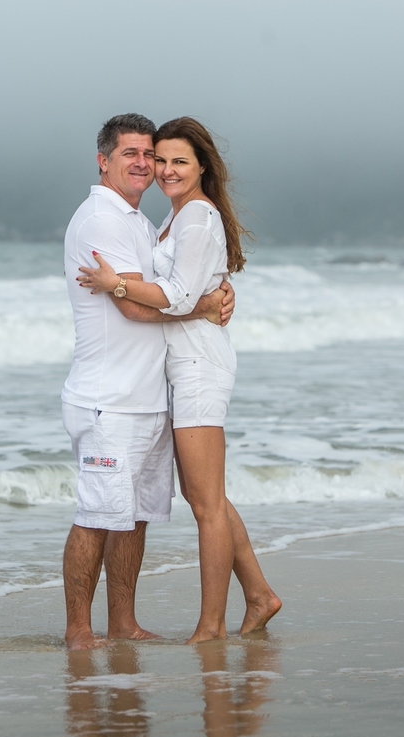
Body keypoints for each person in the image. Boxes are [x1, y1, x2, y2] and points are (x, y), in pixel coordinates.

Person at [78, 117, 282, 643]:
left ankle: (210, 627)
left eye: (177, 161)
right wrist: (212, 297)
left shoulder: (193, 215)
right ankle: (259, 594)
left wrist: (117, 284)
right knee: (202, 495)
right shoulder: (173, 216)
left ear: (202, 167)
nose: (164, 169)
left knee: (206, 502)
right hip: (183, 367)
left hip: (197, 368)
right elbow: (196, 290)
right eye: (158, 158)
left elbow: (179, 296)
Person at [61, 113, 234, 651]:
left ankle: (123, 623)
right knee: (97, 515)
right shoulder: (102, 219)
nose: (145, 164)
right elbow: (136, 308)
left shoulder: (142, 220)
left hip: (149, 395)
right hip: (107, 399)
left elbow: (174, 281)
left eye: (149, 154)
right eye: (131, 154)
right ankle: (78, 629)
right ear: (103, 161)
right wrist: (204, 305)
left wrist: (211, 291)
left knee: (133, 518)